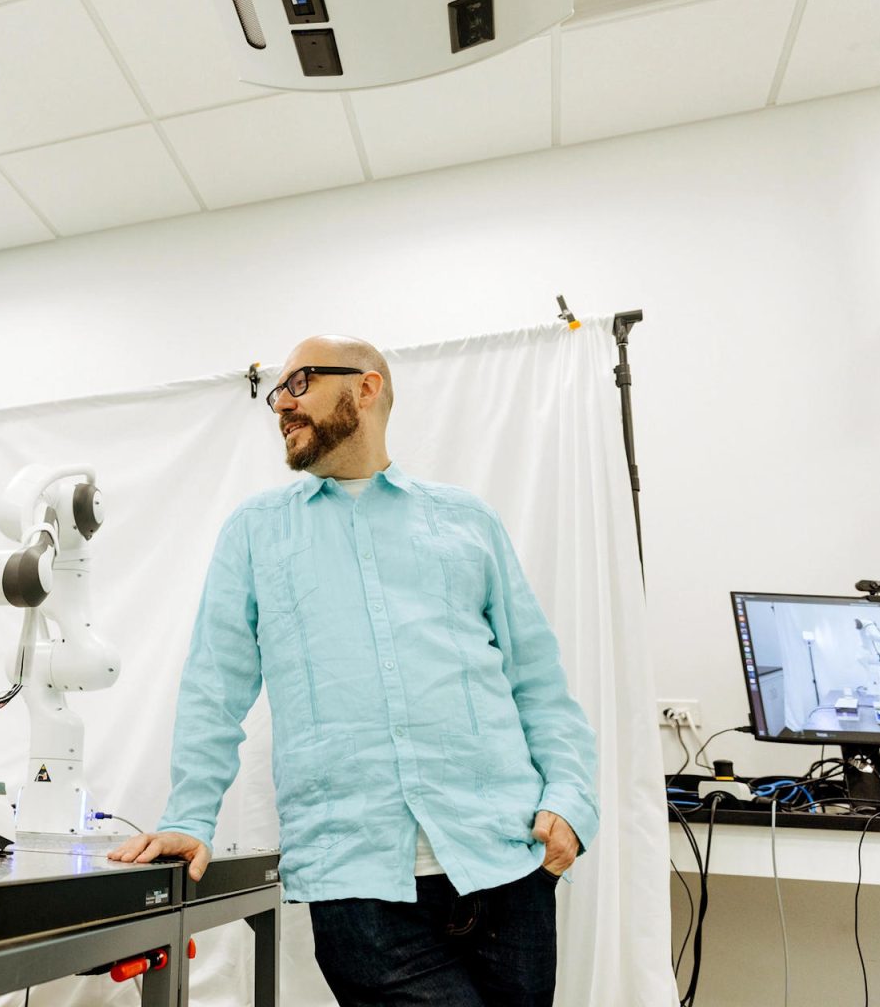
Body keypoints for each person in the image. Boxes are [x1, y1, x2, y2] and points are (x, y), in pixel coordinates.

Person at [110, 335, 599, 1006]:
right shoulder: (256, 532)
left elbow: (537, 682)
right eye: (277, 393)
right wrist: (190, 817)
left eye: (299, 382)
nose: (281, 403)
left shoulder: (466, 521)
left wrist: (570, 798)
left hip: (507, 866)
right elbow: (213, 687)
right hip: (358, 886)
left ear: (366, 389)